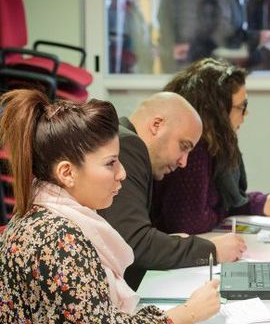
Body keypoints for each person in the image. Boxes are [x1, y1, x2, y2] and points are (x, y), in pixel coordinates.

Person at [0, 89, 220, 323]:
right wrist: (189, 312)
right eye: (110, 164)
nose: (122, 174)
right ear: (67, 172)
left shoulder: (46, 215)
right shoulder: (59, 239)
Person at [99, 92, 246, 290]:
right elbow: (134, 243)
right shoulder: (127, 146)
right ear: (157, 125)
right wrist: (213, 250)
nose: (184, 162)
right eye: (183, 146)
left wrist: (171, 242)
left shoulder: (123, 140)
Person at [152, 59, 270, 235]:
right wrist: (224, 211)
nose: (246, 113)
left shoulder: (213, 144)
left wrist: (260, 203)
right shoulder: (193, 149)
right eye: (241, 107)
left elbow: (221, 201)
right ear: (217, 110)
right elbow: (189, 223)